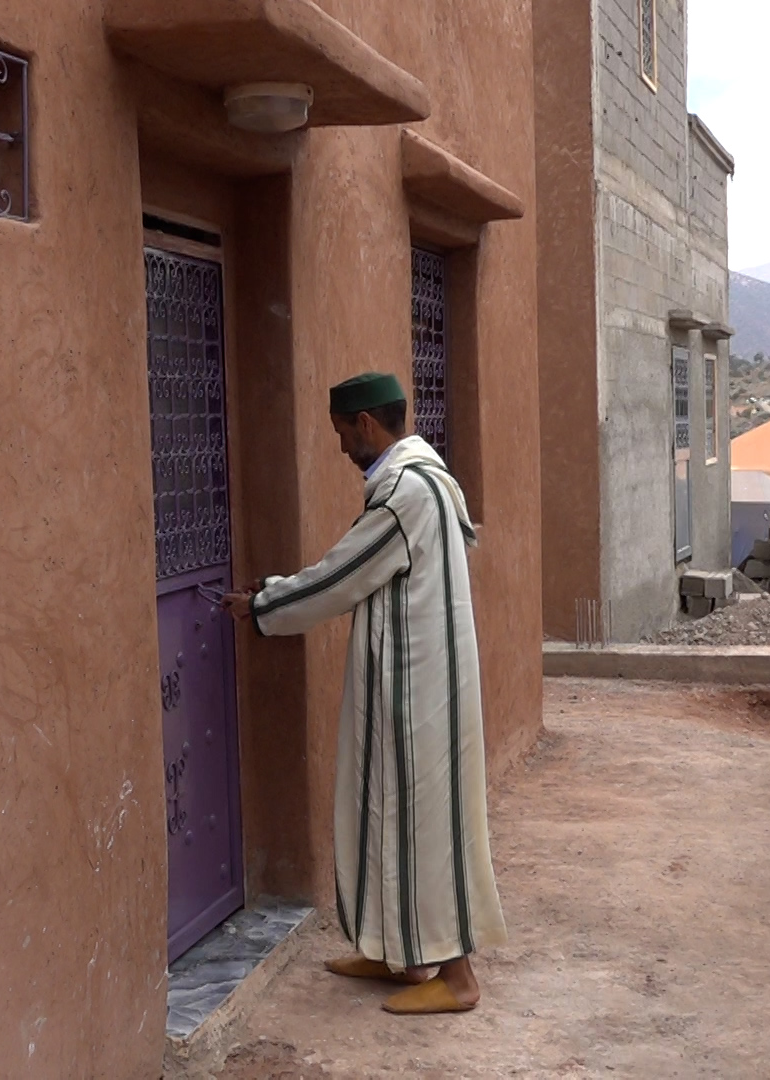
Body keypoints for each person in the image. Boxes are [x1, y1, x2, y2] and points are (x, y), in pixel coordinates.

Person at [222, 372, 507, 1015]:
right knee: (385, 813)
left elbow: (341, 576)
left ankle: (457, 978)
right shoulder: (425, 480)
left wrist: (263, 603)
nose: (341, 446)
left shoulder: (406, 493)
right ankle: (393, 953)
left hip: (418, 692)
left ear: (367, 426)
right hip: (412, 684)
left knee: (424, 826)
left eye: (343, 433)